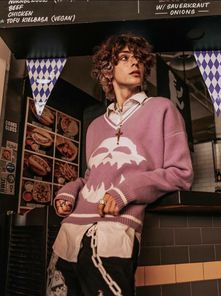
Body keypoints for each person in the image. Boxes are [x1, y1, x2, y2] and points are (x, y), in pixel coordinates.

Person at [47, 33, 193, 296]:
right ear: (108, 70)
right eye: (124, 58)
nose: (134, 62)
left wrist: (126, 191)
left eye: (138, 58)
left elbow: (180, 174)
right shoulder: (95, 126)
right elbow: (93, 175)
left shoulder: (162, 109)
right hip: (69, 231)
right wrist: (70, 188)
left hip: (114, 232)